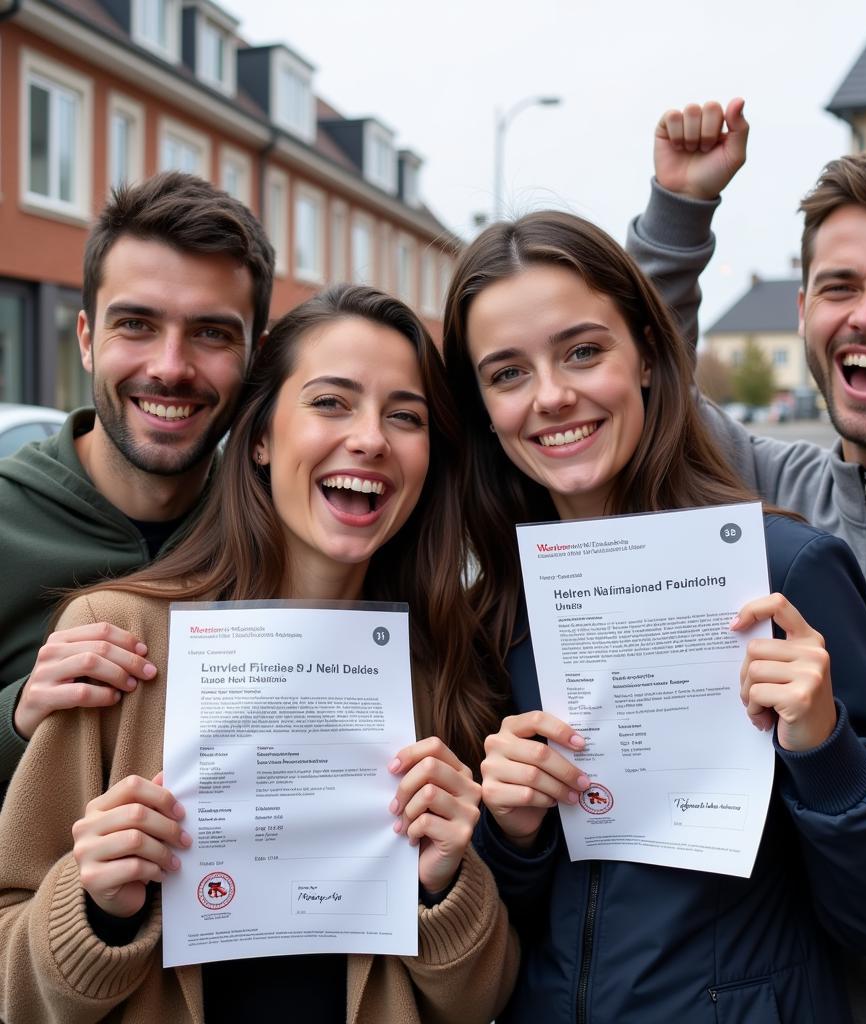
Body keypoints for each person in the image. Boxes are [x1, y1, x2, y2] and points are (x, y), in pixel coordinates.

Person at [441, 208, 866, 1022]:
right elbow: (496, 947)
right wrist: (511, 836)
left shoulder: (785, 574)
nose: (551, 396)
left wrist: (827, 750)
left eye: (583, 351)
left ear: (647, 353)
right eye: (507, 373)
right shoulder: (490, 618)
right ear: (480, 406)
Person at [0, 285, 515, 1023]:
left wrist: (444, 886)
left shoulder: (442, 669)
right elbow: (10, 984)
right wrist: (94, 908)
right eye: (331, 402)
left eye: (404, 415)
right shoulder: (121, 638)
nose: (370, 438)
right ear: (262, 436)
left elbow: (482, 1001)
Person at [626, 101, 866, 1023]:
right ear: (804, 310)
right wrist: (679, 213)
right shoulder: (765, 490)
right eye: (840, 287)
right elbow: (642, 380)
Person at [0, 172, 275, 798]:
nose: (170, 367)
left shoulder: (281, 533)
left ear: (254, 359)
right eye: (136, 324)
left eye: (211, 333)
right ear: (87, 340)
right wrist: (14, 717)